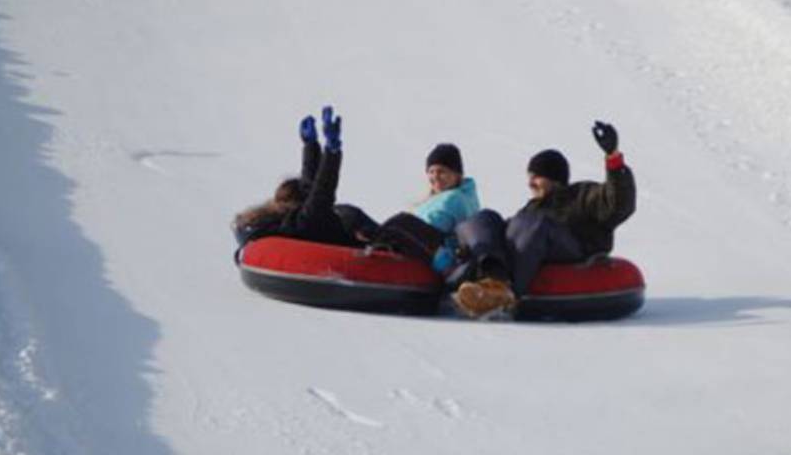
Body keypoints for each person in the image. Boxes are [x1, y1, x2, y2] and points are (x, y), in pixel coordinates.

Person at [448, 120, 637, 317]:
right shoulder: (531, 208)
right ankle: (491, 281)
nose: (530, 182)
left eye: (536, 176)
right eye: (529, 176)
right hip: (532, 247)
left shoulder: (581, 194)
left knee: (535, 222)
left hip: (574, 250)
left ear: (554, 178)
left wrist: (613, 158)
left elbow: (619, 203)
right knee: (485, 218)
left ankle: (506, 293)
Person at [232, 106, 361, 249]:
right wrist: (332, 151)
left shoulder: (268, 222)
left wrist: (311, 146)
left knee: (346, 212)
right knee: (350, 214)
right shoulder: (306, 220)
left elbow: (312, 188)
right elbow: (322, 189)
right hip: (343, 253)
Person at [371, 143, 481, 271]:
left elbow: (446, 230)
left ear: (457, 174)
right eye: (431, 171)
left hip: (441, 256)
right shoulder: (435, 199)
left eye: (441, 171)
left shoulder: (459, 198)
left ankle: (367, 249)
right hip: (421, 246)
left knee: (401, 222)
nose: (435, 177)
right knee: (350, 214)